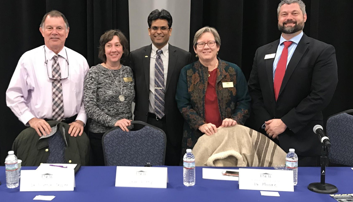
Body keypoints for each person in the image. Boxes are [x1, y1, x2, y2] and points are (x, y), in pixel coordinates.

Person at [248, 0, 338, 166]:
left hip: (303, 141)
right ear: (278, 19)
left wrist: (285, 123)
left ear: (304, 17)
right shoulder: (262, 52)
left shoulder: (322, 51)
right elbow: (254, 90)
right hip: (266, 139)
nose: (289, 18)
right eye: (284, 14)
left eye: (294, 13)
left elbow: (321, 95)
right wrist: (267, 124)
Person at [6, 10, 89, 137]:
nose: (54, 32)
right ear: (42, 31)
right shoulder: (28, 59)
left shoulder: (80, 61)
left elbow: (89, 96)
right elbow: (13, 95)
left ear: (67, 32)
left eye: (59, 28)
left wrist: (80, 120)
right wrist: (31, 119)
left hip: (73, 130)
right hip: (39, 130)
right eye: (49, 28)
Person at [130, 9, 193, 166]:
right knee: (145, 168)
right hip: (145, 120)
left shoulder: (184, 57)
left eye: (163, 28)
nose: (159, 32)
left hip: (173, 123)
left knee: (173, 168)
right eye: (155, 28)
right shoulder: (136, 56)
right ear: (149, 31)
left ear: (170, 31)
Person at [175, 26, 251, 151]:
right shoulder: (187, 72)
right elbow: (183, 104)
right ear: (195, 49)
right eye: (201, 44)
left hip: (229, 136)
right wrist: (201, 124)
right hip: (197, 137)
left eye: (211, 43)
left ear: (218, 47)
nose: (206, 47)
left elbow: (244, 101)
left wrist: (234, 120)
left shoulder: (233, 71)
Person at [84, 29, 134, 166]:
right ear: (103, 50)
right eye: (109, 45)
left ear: (123, 49)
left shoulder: (128, 71)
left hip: (125, 134)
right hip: (101, 136)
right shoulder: (94, 72)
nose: (114, 49)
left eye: (117, 45)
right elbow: (89, 106)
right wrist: (114, 122)